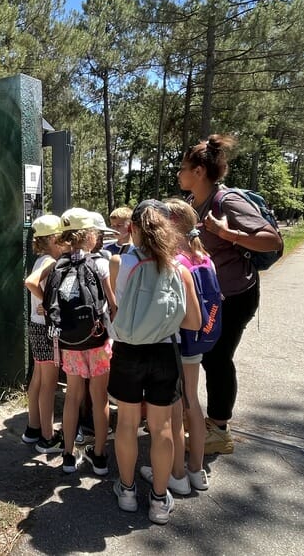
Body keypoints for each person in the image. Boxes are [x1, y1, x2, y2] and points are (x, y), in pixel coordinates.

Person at [177, 134, 282, 455]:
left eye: (182, 168)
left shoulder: (229, 201)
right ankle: (209, 422)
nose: (178, 174)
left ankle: (220, 430)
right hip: (212, 297)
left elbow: (271, 240)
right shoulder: (197, 203)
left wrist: (226, 232)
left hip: (235, 297)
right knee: (207, 356)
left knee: (217, 359)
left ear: (198, 171)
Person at [108, 199, 201, 525]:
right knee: (161, 428)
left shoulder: (120, 263)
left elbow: (117, 311)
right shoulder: (180, 269)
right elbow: (193, 322)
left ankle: (128, 491)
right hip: (164, 353)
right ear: (167, 229)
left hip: (127, 351)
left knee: (127, 425)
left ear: (131, 229)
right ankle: (159, 501)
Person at [140, 197, 212, 493]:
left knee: (173, 409)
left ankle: (177, 474)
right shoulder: (204, 257)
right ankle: (197, 469)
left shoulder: (175, 262)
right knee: (193, 403)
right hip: (197, 344)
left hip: (176, 343)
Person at [51, 208, 116, 475]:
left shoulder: (59, 265)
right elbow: (112, 304)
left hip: (70, 342)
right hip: (97, 340)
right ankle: (99, 457)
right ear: (89, 235)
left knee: (72, 397)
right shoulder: (100, 264)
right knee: (99, 398)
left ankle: (68, 456)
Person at [22, 215, 66, 454]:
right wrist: (48, 303)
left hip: (36, 325)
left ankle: (33, 428)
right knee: (49, 384)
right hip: (46, 328)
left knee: (39, 379)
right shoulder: (50, 261)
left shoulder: (41, 259)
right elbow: (30, 282)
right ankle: (48, 438)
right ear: (53, 238)